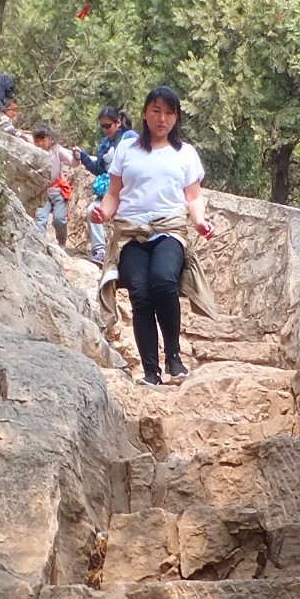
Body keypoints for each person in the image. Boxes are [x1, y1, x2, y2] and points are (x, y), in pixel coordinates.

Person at [91, 86, 218, 386]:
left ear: (176, 118)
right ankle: (150, 372)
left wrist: (199, 221)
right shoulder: (127, 150)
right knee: (140, 293)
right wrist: (103, 214)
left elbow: (193, 196)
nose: (162, 119)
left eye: (169, 113)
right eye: (156, 111)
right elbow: (113, 193)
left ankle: (173, 357)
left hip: (169, 230)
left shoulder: (185, 153)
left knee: (163, 280)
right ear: (145, 113)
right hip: (131, 232)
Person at [76, 104, 133, 266]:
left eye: (108, 125)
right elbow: (99, 169)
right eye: (102, 126)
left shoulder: (130, 138)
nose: (105, 129)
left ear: (118, 123)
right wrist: (84, 157)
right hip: (108, 191)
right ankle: (100, 250)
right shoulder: (104, 144)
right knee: (92, 211)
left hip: (127, 189)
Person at [29, 124, 74, 248]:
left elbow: (72, 162)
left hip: (58, 189)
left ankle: (62, 244)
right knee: (40, 219)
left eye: (44, 140)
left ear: (50, 139)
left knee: (59, 220)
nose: (41, 143)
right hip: (40, 191)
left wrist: (77, 157)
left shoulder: (57, 151)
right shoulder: (31, 151)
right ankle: (41, 246)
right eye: (38, 141)